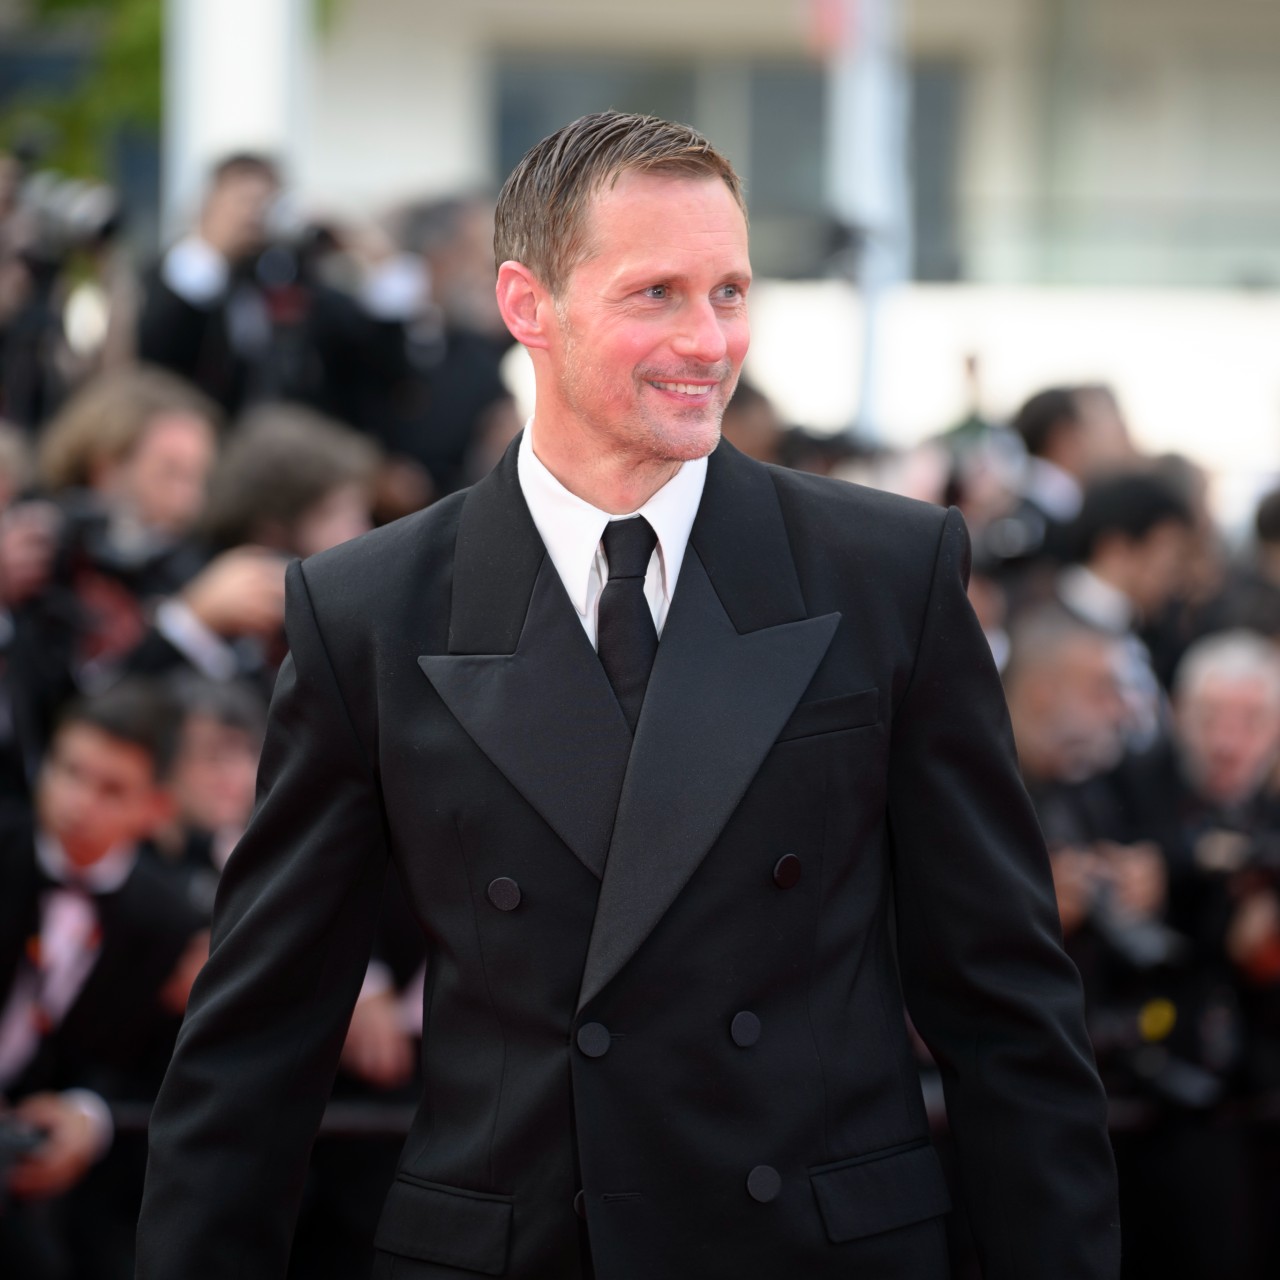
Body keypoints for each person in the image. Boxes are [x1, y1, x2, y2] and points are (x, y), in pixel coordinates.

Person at [138, 111, 1119, 1279]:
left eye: (730, 291)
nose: (707, 340)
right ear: (525, 305)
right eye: (655, 293)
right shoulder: (369, 609)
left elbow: (1005, 1003)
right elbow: (257, 1039)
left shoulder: (886, 573)